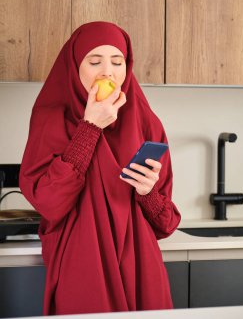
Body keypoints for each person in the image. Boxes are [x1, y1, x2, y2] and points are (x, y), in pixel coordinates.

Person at [19, 21, 181, 315]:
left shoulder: (146, 123)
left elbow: (166, 223)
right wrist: (90, 126)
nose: (108, 71)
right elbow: (49, 203)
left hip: (141, 269)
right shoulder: (51, 119)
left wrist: (147, 192)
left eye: (117, 61)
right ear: (75, 67)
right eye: (95, 61)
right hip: (82, 265)